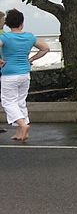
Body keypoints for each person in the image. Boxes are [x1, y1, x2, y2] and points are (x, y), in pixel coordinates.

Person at [0, 9, 49, 142]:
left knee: (8, 102)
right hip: (25, 74)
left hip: (9, 74)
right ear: (22, 23)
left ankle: (22, 125)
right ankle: (21, 132)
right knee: (20, 102)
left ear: (8, 24)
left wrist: (1, 61)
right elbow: (45, 48)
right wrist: (31, 59)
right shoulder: (30, 36)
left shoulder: (4, 37)